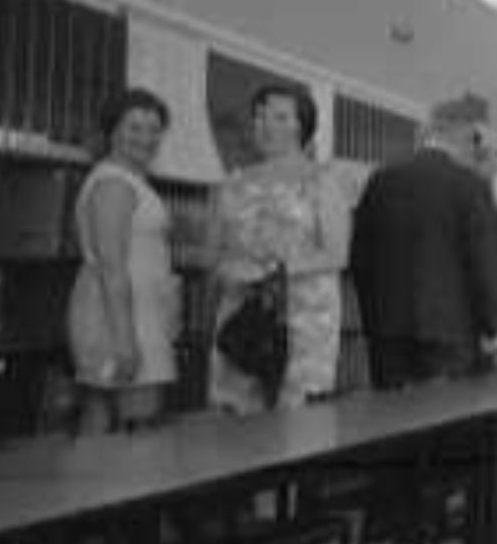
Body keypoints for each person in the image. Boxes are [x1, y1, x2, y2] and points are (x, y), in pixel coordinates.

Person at [206, 85, 350, 413]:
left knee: (300, 426)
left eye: (280, 117)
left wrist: (273, 268)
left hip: (304, 320)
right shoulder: (232, 183)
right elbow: (212, 254)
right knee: (236, 424)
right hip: (242, 316)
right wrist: (227, 269)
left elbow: (337, 253)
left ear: (302, 125)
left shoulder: (324, 180)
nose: (266, 125)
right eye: (259, 116)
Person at [349, 96, 497, 389]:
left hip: (386, 330)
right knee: (441, 426)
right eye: (474, 141)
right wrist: (492, 327)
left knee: (390, 422)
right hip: (450, 332)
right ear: (463, 135)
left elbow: (360, 258)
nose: (473, 149)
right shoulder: (470, 186)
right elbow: (484, 264)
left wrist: (372, 319)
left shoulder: (381, 180)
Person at [67, 88, 180, 434]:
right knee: (133, 432)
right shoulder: (113, 183)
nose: (145, 138)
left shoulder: (131, 181)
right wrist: (124, 340)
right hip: (118, 320)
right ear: (111, 130)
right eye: (134, 127)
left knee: (119, 429)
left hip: (137, 317)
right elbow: (112, 265)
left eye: (153, 128)